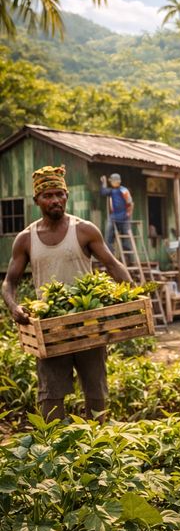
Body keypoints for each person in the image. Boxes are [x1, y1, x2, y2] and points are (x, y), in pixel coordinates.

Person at [1, 165, 131, 423]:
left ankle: (98, 450)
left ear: (66, 196)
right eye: (48, 195)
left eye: (60, 194)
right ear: (37, 199)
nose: (55, 200)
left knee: (95, 392)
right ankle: (55, 450)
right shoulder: (26, 239)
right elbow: (9, 283)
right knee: (50, 395)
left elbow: (114, 265)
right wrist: (14, 306)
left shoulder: (84, 230)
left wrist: (133, 298)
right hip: (49, 329)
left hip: (88, 324)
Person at [100, 173, 134, 256]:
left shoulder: (124, 190)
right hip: (114, 217)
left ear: (117, 182)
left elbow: (130, 203)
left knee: (126, 239)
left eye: (112, 181)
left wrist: (129, 213)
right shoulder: (112, 191)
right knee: (108, 237)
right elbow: (103, 192)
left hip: (124, 218)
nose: (111, 183)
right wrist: (103, 182)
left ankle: (127, 258)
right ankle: (110, 255)